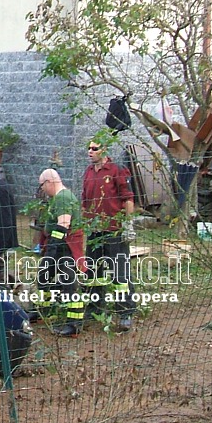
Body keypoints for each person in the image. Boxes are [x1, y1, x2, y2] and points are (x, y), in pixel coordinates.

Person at [81, 140, 137, 331]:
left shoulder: (117, 169)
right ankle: (95, 308)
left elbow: (128, 198)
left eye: (94, 148)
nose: (90, 151)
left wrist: (128, 224)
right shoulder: (88, 172)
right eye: (88, 148)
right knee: (93, 272)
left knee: (119, 273)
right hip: (94, 231)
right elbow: (85, 200)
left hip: (114, 230)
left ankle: (125, 312)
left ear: (104, 150)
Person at [35, 169, 87, 337]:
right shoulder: (58, 198)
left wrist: (52, 249)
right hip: (59, 246)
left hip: (65, 247)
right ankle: (44, 310)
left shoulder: (63, 198)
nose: (42, 189)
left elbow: (63, 225)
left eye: (42, 185)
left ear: (49, 182)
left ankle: (74, 324)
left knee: (69, 284)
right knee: (43, 277)